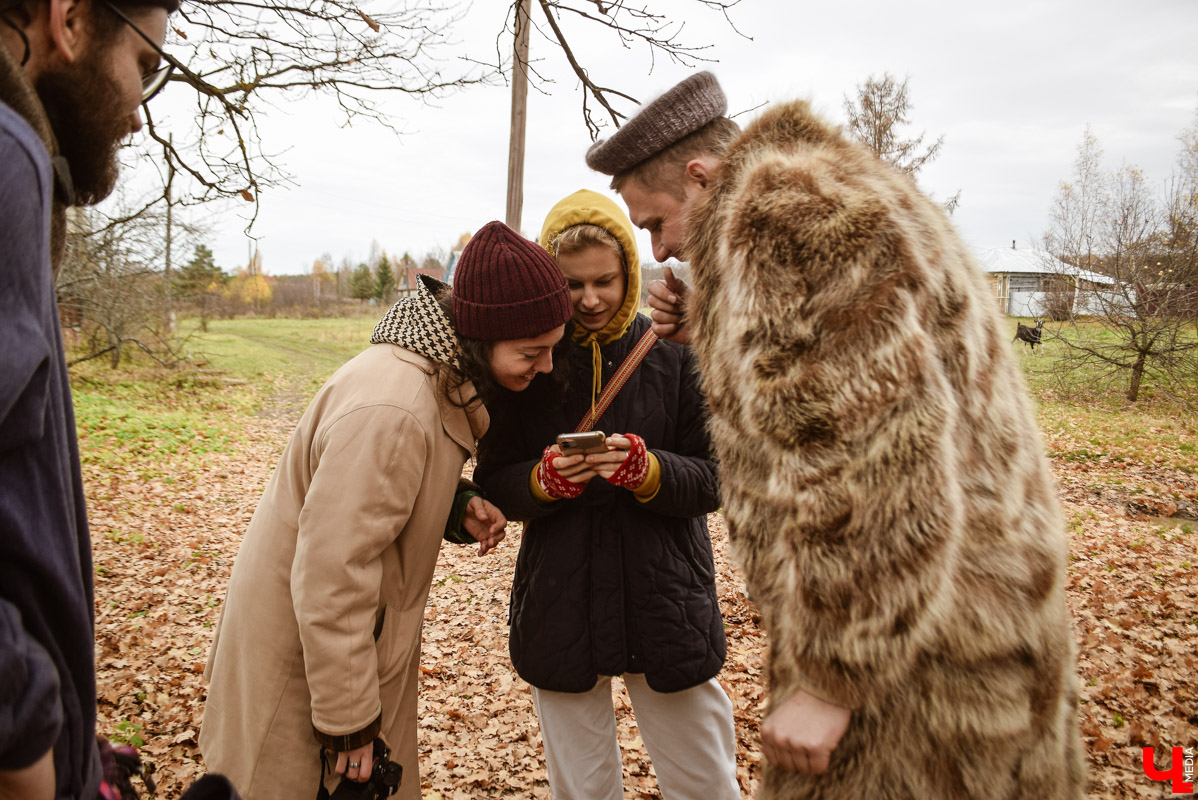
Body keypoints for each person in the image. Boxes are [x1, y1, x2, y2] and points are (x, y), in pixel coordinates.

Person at [585, 71, 1086, 798]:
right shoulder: (837, 189)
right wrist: (720, 326)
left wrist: (833, 677)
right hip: (967, 615)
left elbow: (877, 464)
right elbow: (855, 377)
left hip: (917, 663)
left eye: (656, 222)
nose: (661, 250)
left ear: (701, 178)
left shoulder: (777, 218)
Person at [199, 221, 573, 800]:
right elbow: (333, 571)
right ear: (479, 335)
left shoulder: (428, 378)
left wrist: (457, 502)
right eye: (532, 351)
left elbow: (378, 494)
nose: (546, 366)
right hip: (308, 672)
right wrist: (348, 724)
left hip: (343, 657)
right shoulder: (395, 406)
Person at [472, 189, 740, 800]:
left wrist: (649, 472)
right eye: (571, 285)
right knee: (583, 789)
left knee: (704, 782)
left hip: (666, 598)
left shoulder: (675, 355)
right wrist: (541, 483)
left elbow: (716, 475)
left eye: (606, 281)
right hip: (562, 596)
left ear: (629, 271)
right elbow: (495, 479)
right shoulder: (530, 364)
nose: (590, 300)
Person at [0, 0, 181, 796]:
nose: (140, 116)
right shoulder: (7, 158)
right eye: (145, 65)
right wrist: (25, 729)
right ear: (68, 21)